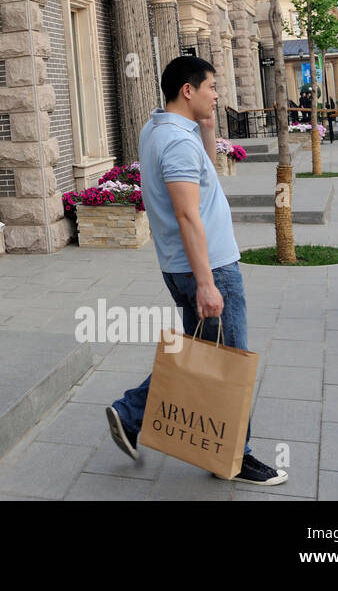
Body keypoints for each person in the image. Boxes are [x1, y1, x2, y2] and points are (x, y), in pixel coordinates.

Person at [104, 55, 287, 486]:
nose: (217, 93)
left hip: (182, 267)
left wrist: (207, 132)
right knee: (230, 359)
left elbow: (204, 183)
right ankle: (235, 457)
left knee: (199, 354)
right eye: (211, 86)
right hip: (209, 269)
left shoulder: (159, 128)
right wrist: (207, 284)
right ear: (188, 90)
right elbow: (188, 214)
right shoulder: (177, 142)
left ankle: (131, 416)